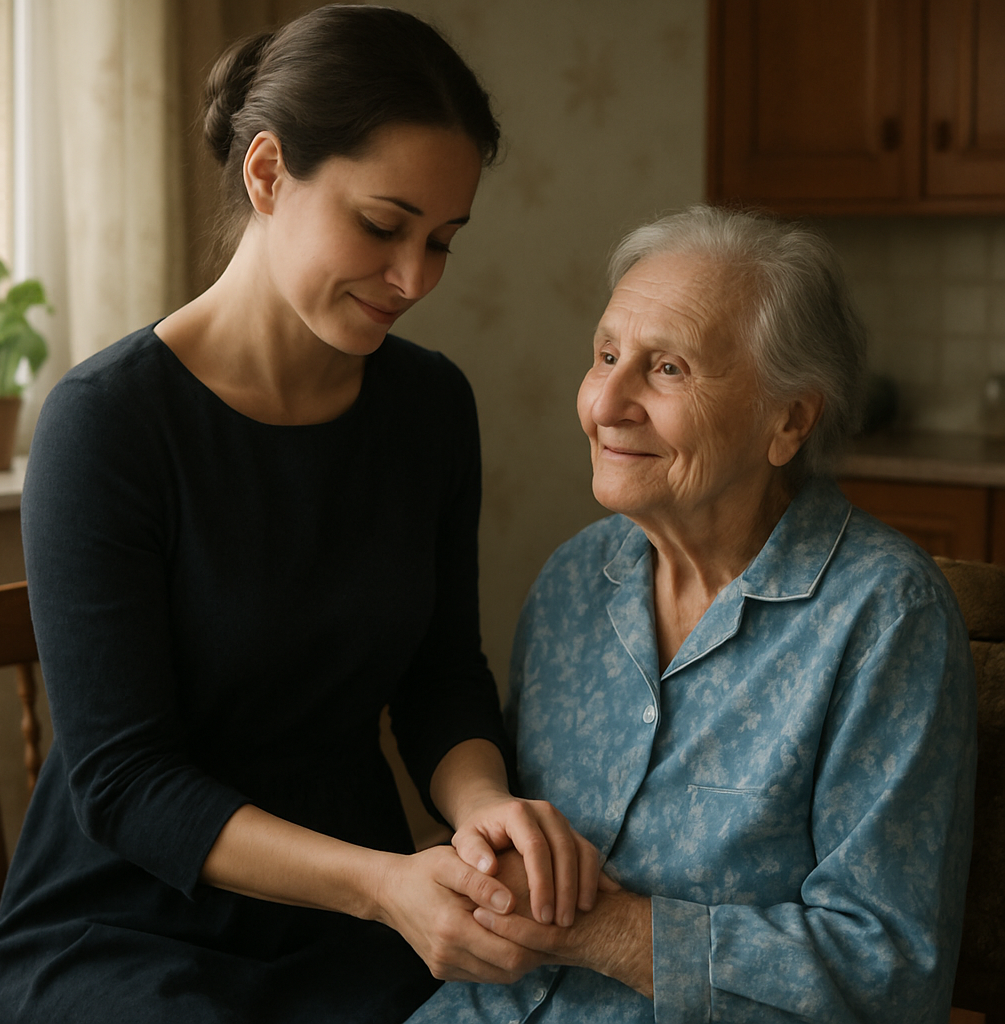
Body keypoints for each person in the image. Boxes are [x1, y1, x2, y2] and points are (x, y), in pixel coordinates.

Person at [0, 7, 600, 1023]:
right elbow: (127, 782)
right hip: (125, 929)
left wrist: (481, 809)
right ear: (267, 174)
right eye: (382, 224)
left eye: (442, 239)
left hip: (350, 923)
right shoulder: (107, 425)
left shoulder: (431, 407)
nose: (415, 279)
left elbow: (440, 675)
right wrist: (384, 883)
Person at [408, 205, 978, 1023]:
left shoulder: (884, 618)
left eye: (666, 369)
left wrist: (589, 927)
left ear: (789, 420)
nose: (606, 402)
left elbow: (888, 976)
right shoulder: (575, 578)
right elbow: (512, 847)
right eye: (605, 355)